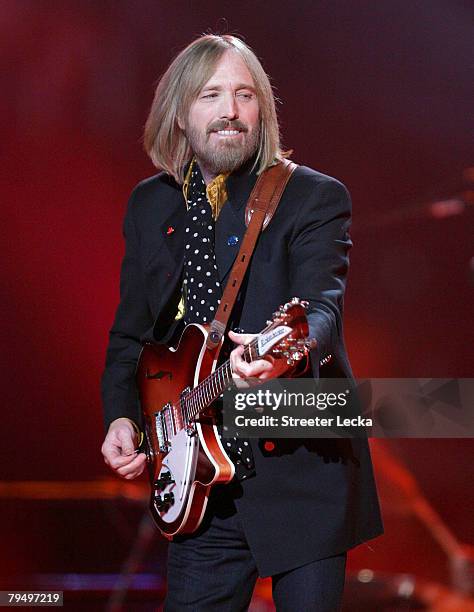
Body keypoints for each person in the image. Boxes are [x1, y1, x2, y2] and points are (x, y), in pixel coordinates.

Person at [101, 34, 383, 611]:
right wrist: (123, 417)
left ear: (263, 111)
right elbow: (133, 334)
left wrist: (279, 352)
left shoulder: (313, 197)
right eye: (211, 95)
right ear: (180, 113)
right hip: (201, 482)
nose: (230, 110)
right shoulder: (151, 205)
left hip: (304, 471)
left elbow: (321, 309)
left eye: (244, 95)